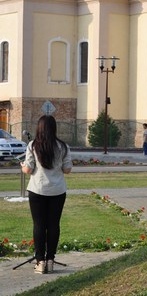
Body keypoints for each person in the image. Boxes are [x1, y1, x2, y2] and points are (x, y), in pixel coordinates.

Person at [20, 115, 72, 274]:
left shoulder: (33, 145)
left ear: (39, 128)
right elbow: (67, 169)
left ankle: (40, 262)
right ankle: (50, 260)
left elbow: (28, 169)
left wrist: (22, 166)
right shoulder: (63, 146)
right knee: (54, 225)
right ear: (54, 128)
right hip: (58, 191)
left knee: (39, 225)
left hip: (37, 190)